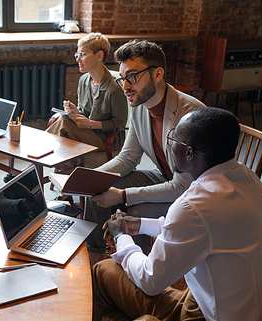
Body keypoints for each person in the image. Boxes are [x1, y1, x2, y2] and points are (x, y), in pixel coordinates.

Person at [92, 107, 262, 321]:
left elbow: (149, 281)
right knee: (178, 271)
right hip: (255, 319)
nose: (170, 143)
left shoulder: (193, 205)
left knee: (103, 270)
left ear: (190, 153)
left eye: (174, 138)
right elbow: (201, 229)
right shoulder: (247, 178)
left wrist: (121, 236)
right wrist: (141, 224)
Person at [84, 39, 205, 263]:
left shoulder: (189, 114)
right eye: (122, 79)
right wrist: (90, 178)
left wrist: (122, 196)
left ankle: (138, 275)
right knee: (98, 191)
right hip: (167, 178)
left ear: (158, 74)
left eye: (132, 77)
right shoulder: (140, 106)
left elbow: (182, 186)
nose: (125, 86)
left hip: (195, 194)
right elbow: (128, 158)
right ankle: (94, 261)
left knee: (135, 214)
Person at [46, 32, 128, 152]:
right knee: (63, 122)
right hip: (87, 133)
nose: (78, 59)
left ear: (99, 56)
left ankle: (35, 163)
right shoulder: (83, 80)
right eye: (77, 55)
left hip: (105, 140)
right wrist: (75, 112)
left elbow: (119, 124)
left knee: (63, 122)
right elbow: (83, 113)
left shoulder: (114, 89)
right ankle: (54, 168)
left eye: (83, 54)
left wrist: (91, 124)